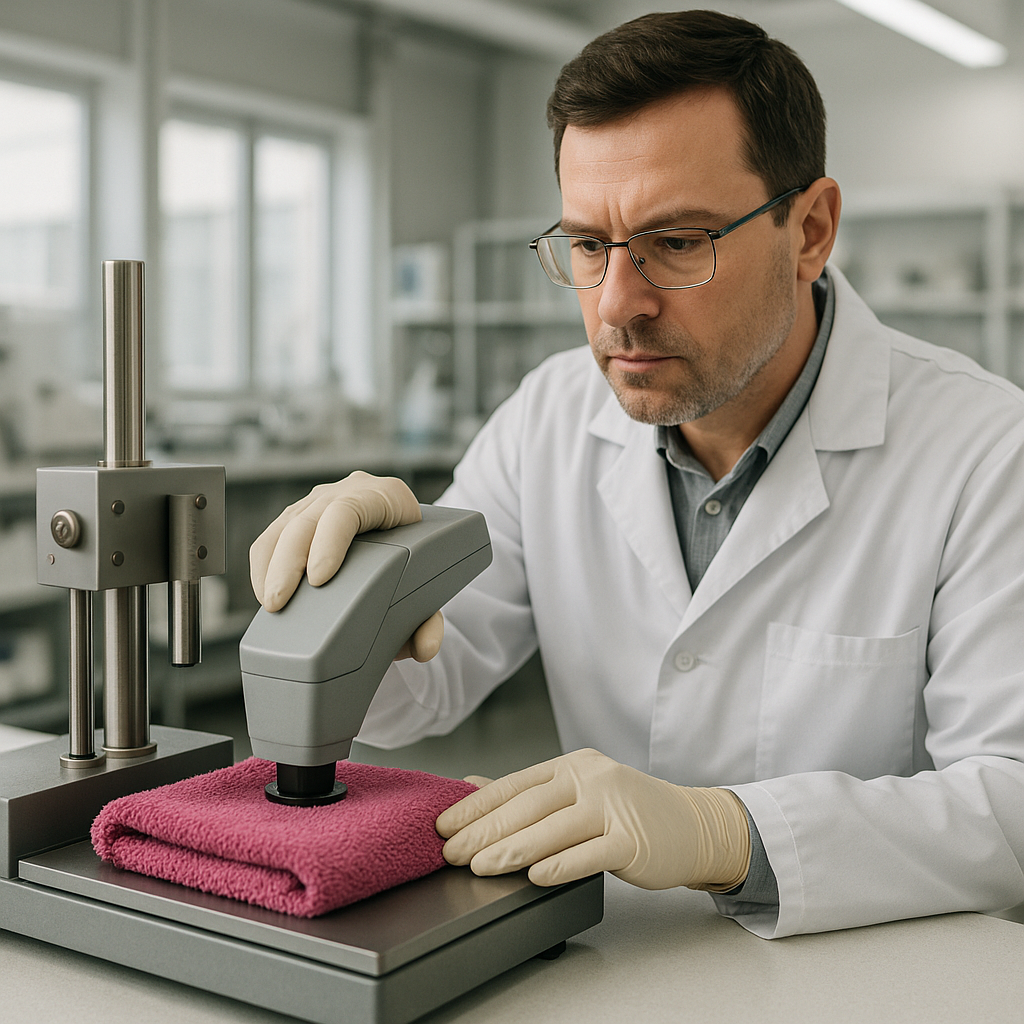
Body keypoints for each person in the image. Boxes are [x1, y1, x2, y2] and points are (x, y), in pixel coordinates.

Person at [249, 10, 1024, 938]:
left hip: (865, 973)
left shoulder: (987, 450)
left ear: (809, 228)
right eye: (587, 245)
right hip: (614, 958)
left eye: (678, 241)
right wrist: (351, 592)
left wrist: (724, 831)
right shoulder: (548, 418)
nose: (618, 305)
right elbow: (421, 688)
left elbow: (1009, 806)